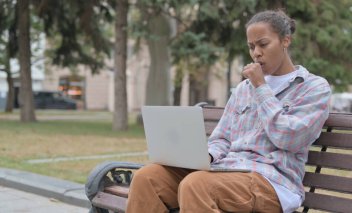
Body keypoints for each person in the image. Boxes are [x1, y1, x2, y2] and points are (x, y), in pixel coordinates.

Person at [126, 10, 331, 213]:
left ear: (285, 41)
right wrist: (207, 156)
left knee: (197, 185)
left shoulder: (313, 88)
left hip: (273, 182)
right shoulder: (244, 89)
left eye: (263, 44)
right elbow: (222, 138)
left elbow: (288, 138)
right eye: (251, 46)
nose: (256, 53)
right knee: (147, 178)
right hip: (226, 171)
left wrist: (261, 87)